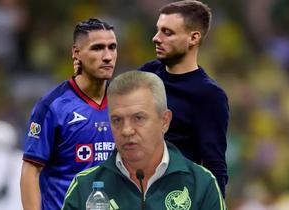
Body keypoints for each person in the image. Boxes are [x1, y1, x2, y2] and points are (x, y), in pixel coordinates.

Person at [62, 71, 226, 210]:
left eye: (138, 118)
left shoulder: (201, 184)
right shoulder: (84, 187)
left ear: (165, 121)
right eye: (117, 120)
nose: (126, 130)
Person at [20, 18, 117, 210]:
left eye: (112, 47)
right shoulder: (53, 106)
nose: (107, 56)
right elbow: (31, 171)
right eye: (97, 48)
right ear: (76, 53)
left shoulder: (123, 104)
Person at [138, 0, 229, 196]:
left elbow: (215, 165)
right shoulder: (148, 73)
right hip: (134, 192)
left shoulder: (208, 95)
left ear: (193, 38)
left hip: (175, 197)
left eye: (167, 32)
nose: (156, 38)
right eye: (158, 30)